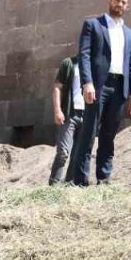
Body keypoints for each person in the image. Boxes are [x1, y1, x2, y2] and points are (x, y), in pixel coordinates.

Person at [66, 0, 131, 186]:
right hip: (98, 86)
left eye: (124, 2)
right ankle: (80, 180)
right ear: (109, 1)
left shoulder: (129, 34)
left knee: (109, 135)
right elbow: (84, 55)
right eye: (117, 0)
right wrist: (87, 83)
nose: (120, 5)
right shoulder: (93, 25)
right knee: (89, 132)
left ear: (127, 6)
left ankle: (103, 179)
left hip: (120, 87)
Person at [48, 53, 85, 185]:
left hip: (87, 115)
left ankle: (69, 184)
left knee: (78, 154)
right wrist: (58, 110)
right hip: (70, 113)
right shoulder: (69, 63)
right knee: (63, 152)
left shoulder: (95, 66)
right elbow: (57, 87)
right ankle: (53, 186)